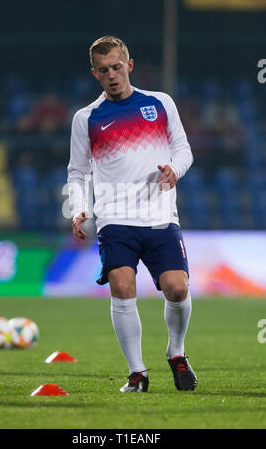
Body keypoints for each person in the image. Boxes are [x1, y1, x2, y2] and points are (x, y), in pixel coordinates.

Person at [67, 36, 197, 393]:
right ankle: (137, 373)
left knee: (177, 288)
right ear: (95, 73)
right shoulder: (86, 118)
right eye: (104, 70)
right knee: (122, 287)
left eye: (117, 67)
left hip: (159, 216)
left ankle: (177, 352)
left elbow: (184, 150)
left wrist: (175, 170)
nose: (112, 75)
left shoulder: (160, 103)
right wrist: (78, 207)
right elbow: (77, 171)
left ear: (130, 65)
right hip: (114, 218)